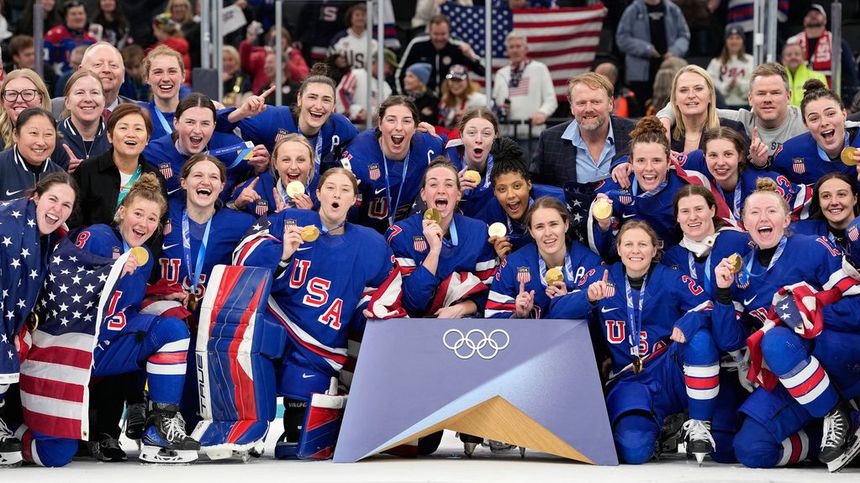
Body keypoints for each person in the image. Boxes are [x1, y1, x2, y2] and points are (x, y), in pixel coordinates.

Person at [17, 174, 200, 466]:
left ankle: (160, 427)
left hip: (106, 349)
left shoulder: (145, 259)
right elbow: (62, 278)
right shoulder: (98, 237)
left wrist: (156, 296)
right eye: (138, 214)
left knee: (172, 326)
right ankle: (15, 431)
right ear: (123, 212)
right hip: (67, 351)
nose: (143, 224)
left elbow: (122, 303)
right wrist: (109, 268)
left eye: (152, 218)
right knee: (56, 455)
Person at [233, 167, 406, 459]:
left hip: (321, 345)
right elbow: (242, 254)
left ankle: (294, 418)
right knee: (253, 364)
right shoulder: (291, 220)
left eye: (344, 190)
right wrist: (283, 254)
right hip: (274, 325)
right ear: (318, 194)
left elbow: (383, 289)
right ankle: (248, 423)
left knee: (300, 444)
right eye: (330, 188)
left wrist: (371, 312)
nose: (336, 194)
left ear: (354, 200)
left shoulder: (371, 243)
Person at [712, 179, 860, 468]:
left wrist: (808, 312)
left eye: (771, 211)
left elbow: (856, 307)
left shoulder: (814, 247)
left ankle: (836, 413)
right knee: (750, 449)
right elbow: (730, 341)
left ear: (787, 218)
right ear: (744, 222)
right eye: (754, 213)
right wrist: (723, 293)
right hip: (796, 378)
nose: (763, 218)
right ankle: (836, 432)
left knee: (776, 340)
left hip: (835, 358)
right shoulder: (741, 272)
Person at [551, 220, 720, 464]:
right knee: (634, 450)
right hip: (629, 379)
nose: (635, 250)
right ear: (618, 249)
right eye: (628, 244)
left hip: (667, 372)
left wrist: (689, 322)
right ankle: (662, 430)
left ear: (654, 249)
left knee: (700, 339)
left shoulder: (670, 278)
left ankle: (699, 423)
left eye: (643, 244)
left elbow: (707, 305)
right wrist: (588, 297)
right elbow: (556, 310)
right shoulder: (601, 276)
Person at [0, 172, 77, 467]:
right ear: (35, 197)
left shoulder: (52, 241)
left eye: (67, 205)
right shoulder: (9, 222)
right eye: (53, 199)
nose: (58, 209)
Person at [386, 158, 497, 318]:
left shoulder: (478, 231)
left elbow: (492, 292)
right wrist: (434, 251)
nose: (441, 191)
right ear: (423, 194)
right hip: (416, 329)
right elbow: (412, 303)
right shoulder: (400, 234)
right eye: (433, 184)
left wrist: (462, 308)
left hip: (465, 325)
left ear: (458, 194)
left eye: (449, 184)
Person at [654, 63, 808, 168]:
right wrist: (664, 121)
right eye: (761, 93)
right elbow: (692, 107)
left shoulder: (806, 121)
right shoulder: (739, 120)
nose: (768, 99)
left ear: (788, 96)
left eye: (775, 93)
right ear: (750, 98)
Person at [486, 196, 603, 320]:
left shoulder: (591, 263)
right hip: (529, 339)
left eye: (553, 224)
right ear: (531, 231)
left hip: (577, 339)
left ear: (566, 225)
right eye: (539, 227)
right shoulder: (513, 264)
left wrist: (568, 303)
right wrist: (518, 316)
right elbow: (493, 318)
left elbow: (603, 320)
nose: (547, 233)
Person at [339, 95, 444, 233]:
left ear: (415, 126)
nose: (399, 127)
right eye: (391, 120)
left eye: (407, 121)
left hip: (412, 231)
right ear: (380, 124)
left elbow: (458, 144)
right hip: (366, 232)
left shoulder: (430, 145)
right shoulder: (357, 157)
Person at [219, 64, 359, 166]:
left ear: (334, 106)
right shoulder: (272, 118)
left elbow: (364, 144)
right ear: (299, 99)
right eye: (312, 97)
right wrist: (242, 112)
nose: (318, 106)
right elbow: (216, 124)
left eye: (326, 100)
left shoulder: (341, 126)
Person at [589, 117, 690, 256]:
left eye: (656, 160)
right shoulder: (613, 190)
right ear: (631, 162)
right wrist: (603, 225)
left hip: (672, 269)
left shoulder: (685, 192)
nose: (649, 168)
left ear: (668, 163)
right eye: (641, 161)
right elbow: (606, 253)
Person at [142, 93, 269, 204]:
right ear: (176, 123)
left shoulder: (232, 147)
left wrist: (261, 167)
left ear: (214, 126)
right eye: (190, 122)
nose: (197, 130)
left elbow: (256, 171)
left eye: (205, 124)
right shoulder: (153, 153)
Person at [675, 127, 811, 224]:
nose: (720, 162)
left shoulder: (765, 183)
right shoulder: (696, 161)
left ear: (740, 156)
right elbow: (665, 160)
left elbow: (804, 207)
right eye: (713, 155)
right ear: (704, 157)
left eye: (728, 154)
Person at [70, 103, 167, 230]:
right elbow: (73, 221)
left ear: (147, 138)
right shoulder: (87, 170)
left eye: (138, 129)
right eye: (123, 128)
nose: (131, 134)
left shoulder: (156, 177)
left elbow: (159, 225)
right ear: (110, 136)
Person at [529, 72, 636, 187]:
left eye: (596, 102)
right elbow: (536, 186)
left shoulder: (634, 132)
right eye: (581, 103)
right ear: (571, 107)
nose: (588, 109)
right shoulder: (550, 140)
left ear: (610, 104)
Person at [771, 79, 860, 185]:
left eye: (830, 114)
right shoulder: (788, 154)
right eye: (814, 118)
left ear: (844, 114)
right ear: (805, 124)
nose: (824, 122)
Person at [616, 0, 690, 115]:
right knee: (641, 112)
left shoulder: (673, 10)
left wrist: (674, 51)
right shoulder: (632, 10)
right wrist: (646, 49)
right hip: (641, 75)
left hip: (669, 71)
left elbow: (684, 35)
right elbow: (622, 38)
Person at [786, 3, 859, 106]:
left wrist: (846, 104)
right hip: (797, 103)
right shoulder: (793, 42)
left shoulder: (836, 42)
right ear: (804, 21)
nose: (813, 15)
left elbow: (850, 74)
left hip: (830, 100)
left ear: (825, 20)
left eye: (817, 13)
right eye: (809, 14)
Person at [396, 14, 485, 96]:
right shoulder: (417, 44)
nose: (439, 38)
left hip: (449, 101)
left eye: (443, 34)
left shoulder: (458, 46)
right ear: (429, 32)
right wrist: (403, 97)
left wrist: (471, 55)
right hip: (423, 99)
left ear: (449, 32)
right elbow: (400, 72)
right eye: (436, 34)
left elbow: (483, 72)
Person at [230, 134, 318, 216]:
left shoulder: (324, 190)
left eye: (301, 160)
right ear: (275, 163)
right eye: (286, 160)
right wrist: (237, 205)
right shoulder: (257, 189)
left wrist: (309, 216)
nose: (293, 167)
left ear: (311, 164)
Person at [666, 65, 748, 153]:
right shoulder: (665, 133)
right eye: (683, 90)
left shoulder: (733, 129)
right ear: (675, 99)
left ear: (710, 96)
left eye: (698, 89)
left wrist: (759, 163)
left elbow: (748, 165)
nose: (691, 95)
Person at [492, 30, 557, 139]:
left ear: (526, 49)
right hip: (506, 136)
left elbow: (551, 100)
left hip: (533, 135)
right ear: (507, 51)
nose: (515, 50)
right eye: (511, 47)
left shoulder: (539, 69)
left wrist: (542, 113)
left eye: (518, 46)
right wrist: (500, 109)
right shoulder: (501, 73)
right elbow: (494, 103)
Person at [0, 108, 64, 202]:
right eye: (34, 133)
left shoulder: (60, 175)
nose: (41, 142)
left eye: (48, 134)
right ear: (15, 135)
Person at [790, 172, 858, 252]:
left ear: (854, 199)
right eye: (826, 196)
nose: (834, 202)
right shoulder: (800, 232)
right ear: (819, 202)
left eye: (841, 194)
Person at [56, 70, 109, 172]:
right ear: (67, 102)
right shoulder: (52, 136)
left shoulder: (116, 136)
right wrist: (64, 175)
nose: (88, 99)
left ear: (104, 101)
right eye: (80, 93)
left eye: (94, 92)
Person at [336, 52, 395, 124]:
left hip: (373, 128)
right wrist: (355, 111)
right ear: (377, 62)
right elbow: (341, 93)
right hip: (350, 124)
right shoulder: (356, 74)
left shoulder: (387, 87)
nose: (390, 72)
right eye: (389, 67)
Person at [0, 69, 52, 151]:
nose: (19, 100)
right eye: (12, 94)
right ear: (3, 101)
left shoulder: (57, 138)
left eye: (27, 94)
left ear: (41, 100)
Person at [43, 0, 96, 76]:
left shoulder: (91, 39)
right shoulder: (53, 36)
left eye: (80, 13)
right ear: (66, 17)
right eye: (73, 14)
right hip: (60, 84)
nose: (78, 17)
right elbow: (45, 65)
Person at [707, 25, 754, 109]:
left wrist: (739, 84)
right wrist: (727, 86)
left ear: (743, 41)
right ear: (726, 41)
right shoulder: (716, 62)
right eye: (731, 38)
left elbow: (755, 84)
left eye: (737, 38)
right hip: (722, 105)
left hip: (746, 105)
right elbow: (710, 85)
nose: (734, 41)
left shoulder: (751, 61)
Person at [438, 64, 486, 131]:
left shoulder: (479, 99)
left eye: (459, 80)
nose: (455, 84)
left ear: (467, 81)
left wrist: (470, 117)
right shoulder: (445, 101)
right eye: (452, 80)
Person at [329, 3, 376, 71]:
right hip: (346, 78)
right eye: (357, 15)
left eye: (363, 15)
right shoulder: (340, 38)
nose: (360, 18)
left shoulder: (374, 39)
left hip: (369, 79)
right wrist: (336, 62)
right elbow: (329, 59)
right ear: (350, 18)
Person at [782, 42, 828, 108]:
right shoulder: (778, 79)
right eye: (789, 55)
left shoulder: (818, 77)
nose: (793, 57)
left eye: (797, 54)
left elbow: (824, 101)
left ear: (803, 58)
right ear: (783, 60)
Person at [150, 14, 192, 84]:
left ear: (161, 30)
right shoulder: (181, 43)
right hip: (184, 83)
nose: (154, 33)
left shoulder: (162, 49)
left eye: (155, 30)